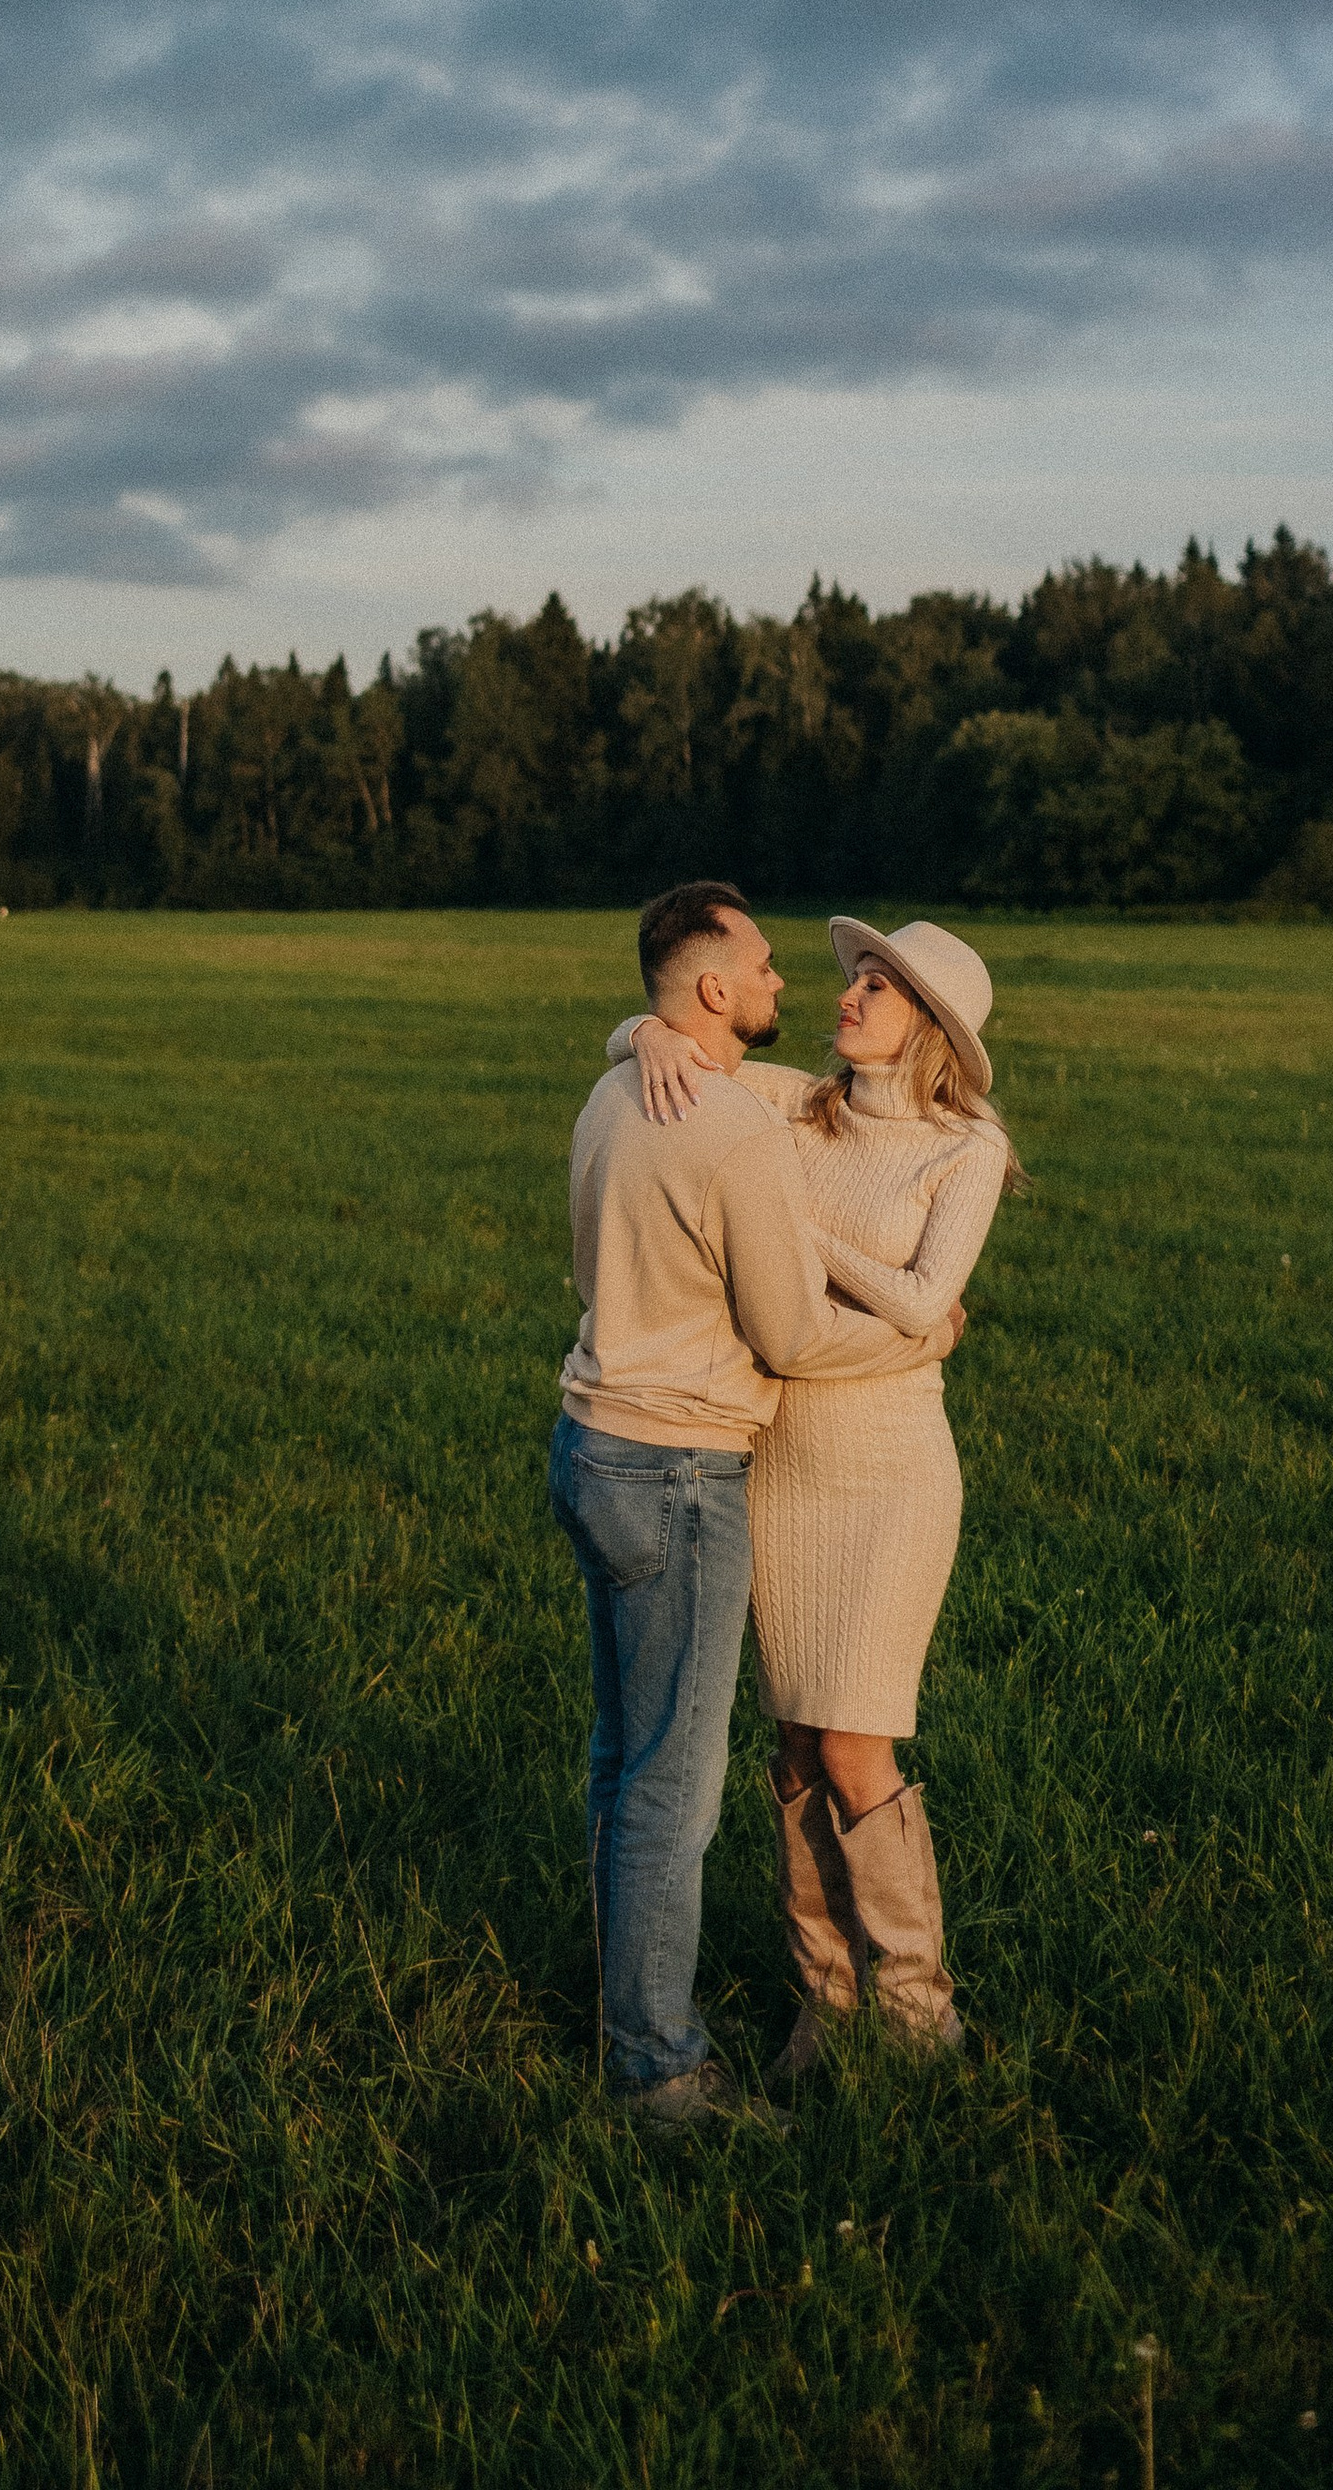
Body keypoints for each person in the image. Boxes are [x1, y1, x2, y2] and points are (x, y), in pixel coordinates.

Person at [554, 882, 962, 2134]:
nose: (797, 984)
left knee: (624, 1769)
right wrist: (920, 1338)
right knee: (670, 1793)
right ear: (715, 992)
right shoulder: (731, 1123)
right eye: (770, 968)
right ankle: (660, 2075)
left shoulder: (615, 1090)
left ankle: (699, 2028)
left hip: (591, 1444)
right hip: (680, 1471)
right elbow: (787, 1333)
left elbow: (648, 1039)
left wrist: (642, 1030)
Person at [619, 915, 1014, 2074]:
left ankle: (916, 2011)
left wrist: (795, 1232)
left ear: (929, 1028)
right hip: (783, 1456)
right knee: (793, 1742)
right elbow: (683, 1039)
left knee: (854, 1742)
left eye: (878, 988)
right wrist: (641, 1027)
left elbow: (921, 1297)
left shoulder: (964, 1150)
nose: (847, 997)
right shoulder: (796, 1103)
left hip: (890, 1469)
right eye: (854, 980)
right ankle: (825, 2007)